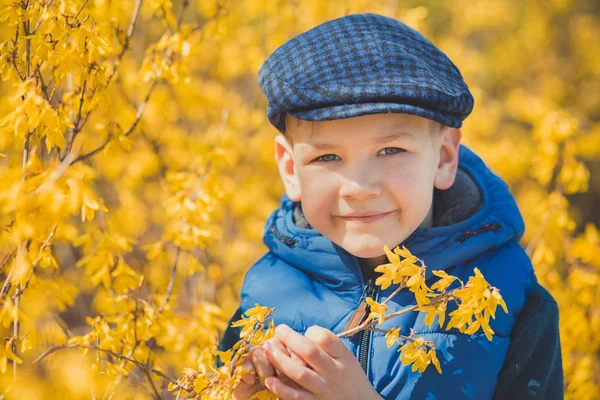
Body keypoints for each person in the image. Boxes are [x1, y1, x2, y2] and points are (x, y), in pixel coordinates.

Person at [219, 13, 564, 400]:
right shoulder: (266, 297)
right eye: (328, 157)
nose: (360, 188)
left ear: (445, 157)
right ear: (290, 167)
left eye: (391, 150)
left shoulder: (514, 306)